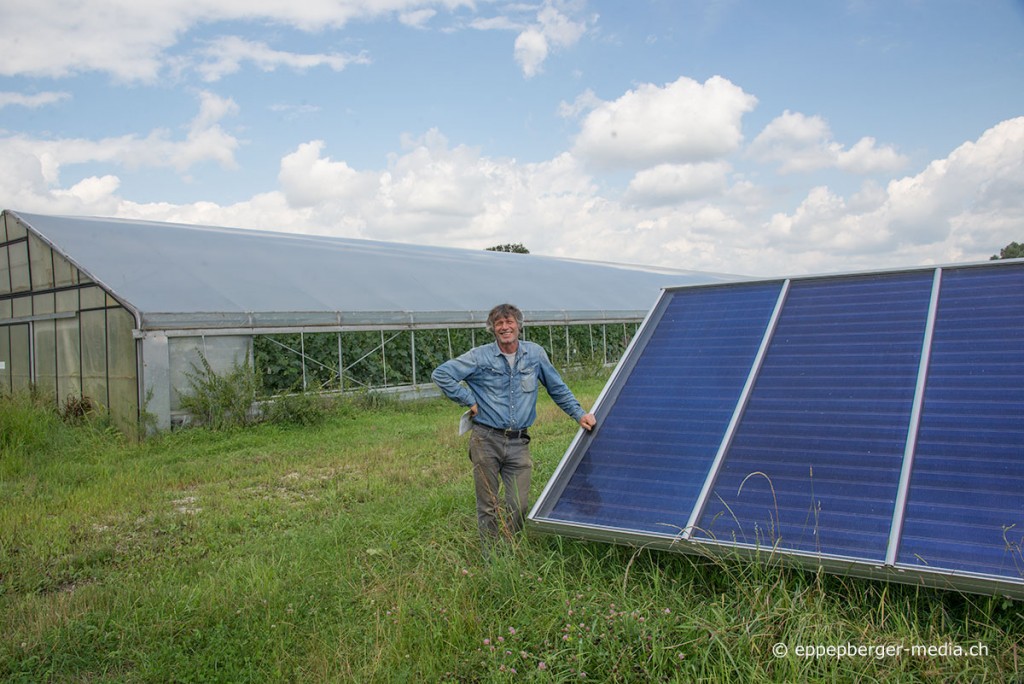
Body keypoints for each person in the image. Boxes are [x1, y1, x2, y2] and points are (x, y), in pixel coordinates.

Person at [432, 303, 597, 552]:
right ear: (493, 329)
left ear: (519, 325)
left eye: (509, 322)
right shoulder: (480, 356)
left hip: (519, 442)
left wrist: (578, 413)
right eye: (499, 324)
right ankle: (491, 555)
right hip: (486, 439)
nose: (505, 327)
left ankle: (509, 547)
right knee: (488, 503)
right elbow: (442, 374)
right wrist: (469, 401)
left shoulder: (535, 354)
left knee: (518, 504)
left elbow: (557, 387)